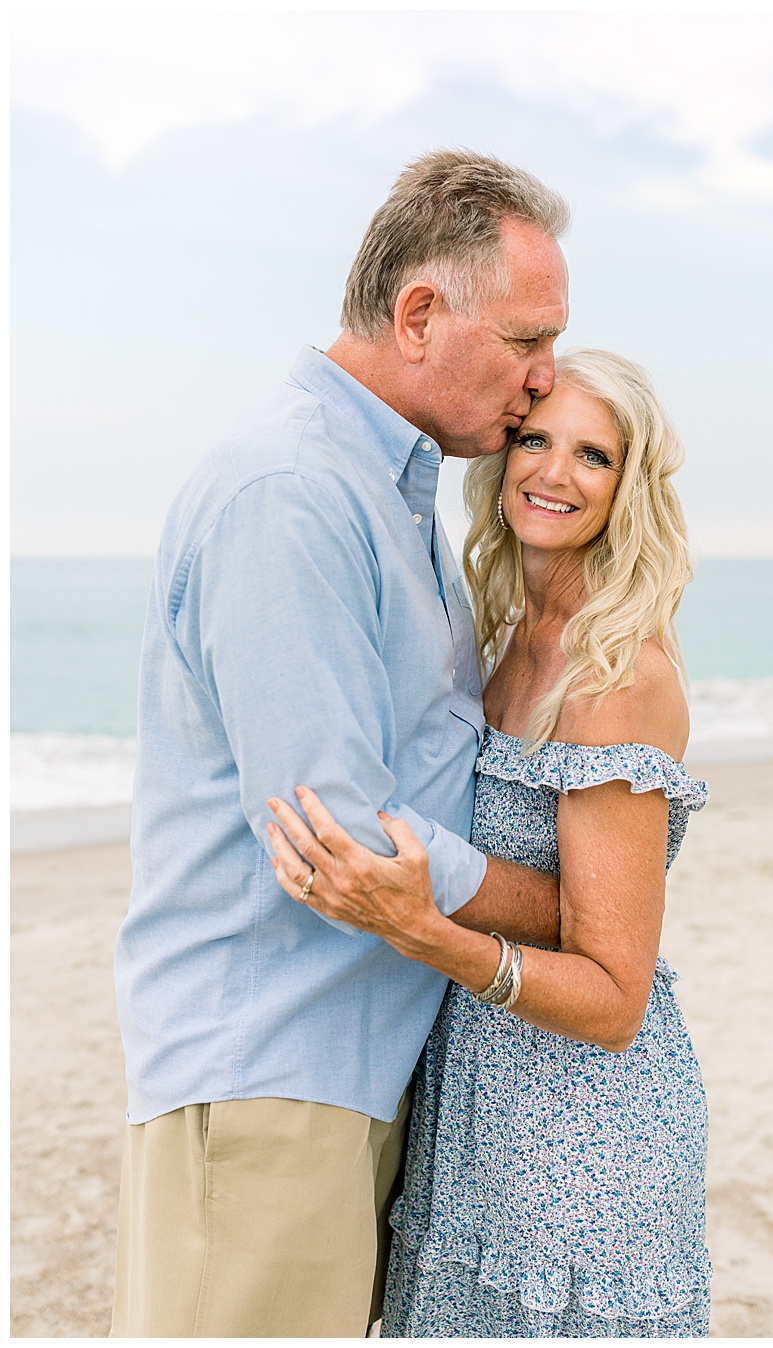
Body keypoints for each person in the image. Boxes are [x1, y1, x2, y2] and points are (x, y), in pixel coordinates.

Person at [112, 151, 573, 1337]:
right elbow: (339, 835)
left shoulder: (392, 491)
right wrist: (566, 909)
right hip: (273, 1074)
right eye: (527, 339)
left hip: (351, 1074)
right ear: (420, 313)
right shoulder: (292, 489)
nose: (545, 378)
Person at [265, 349, 711, 1336]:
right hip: (475, 1107)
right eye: (536, 440)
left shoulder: (614, 673)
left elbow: (614, 996)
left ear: (628, 486)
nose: (553, 473)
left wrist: (429, 933)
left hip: (583, 1136)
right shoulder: (507, 622)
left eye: (593, 456)